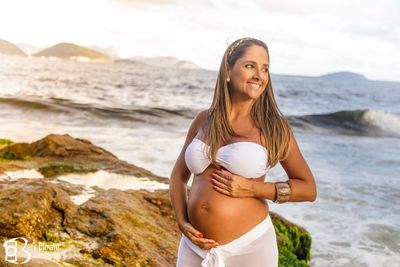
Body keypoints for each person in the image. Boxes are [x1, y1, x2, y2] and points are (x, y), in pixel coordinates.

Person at [169, 37, 317, 267]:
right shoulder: (203, 119)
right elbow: (179, 176)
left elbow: (308, 188)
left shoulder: (274, 127)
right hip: (195, 247)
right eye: (250, 66)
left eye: (265, 69)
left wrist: (252, 187)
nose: (259, 75)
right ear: (228, 71)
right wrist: (181, 221)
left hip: (250, 248)